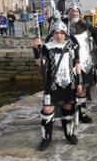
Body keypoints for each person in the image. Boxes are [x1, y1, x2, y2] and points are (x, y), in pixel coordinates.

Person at [32, 20, 82, 151]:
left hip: (70, 83)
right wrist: (36, 49)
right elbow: (40, 63)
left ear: (65, 33)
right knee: (47, 110)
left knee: (68, 107)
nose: (59, 35)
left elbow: (77, 66)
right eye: (56, 32)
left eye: (61, 32)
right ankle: (46, 138)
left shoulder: (72, 46)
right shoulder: (47, 47)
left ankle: (69, 134)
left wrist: (80, 82)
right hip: (52, 83)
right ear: (53, 33)